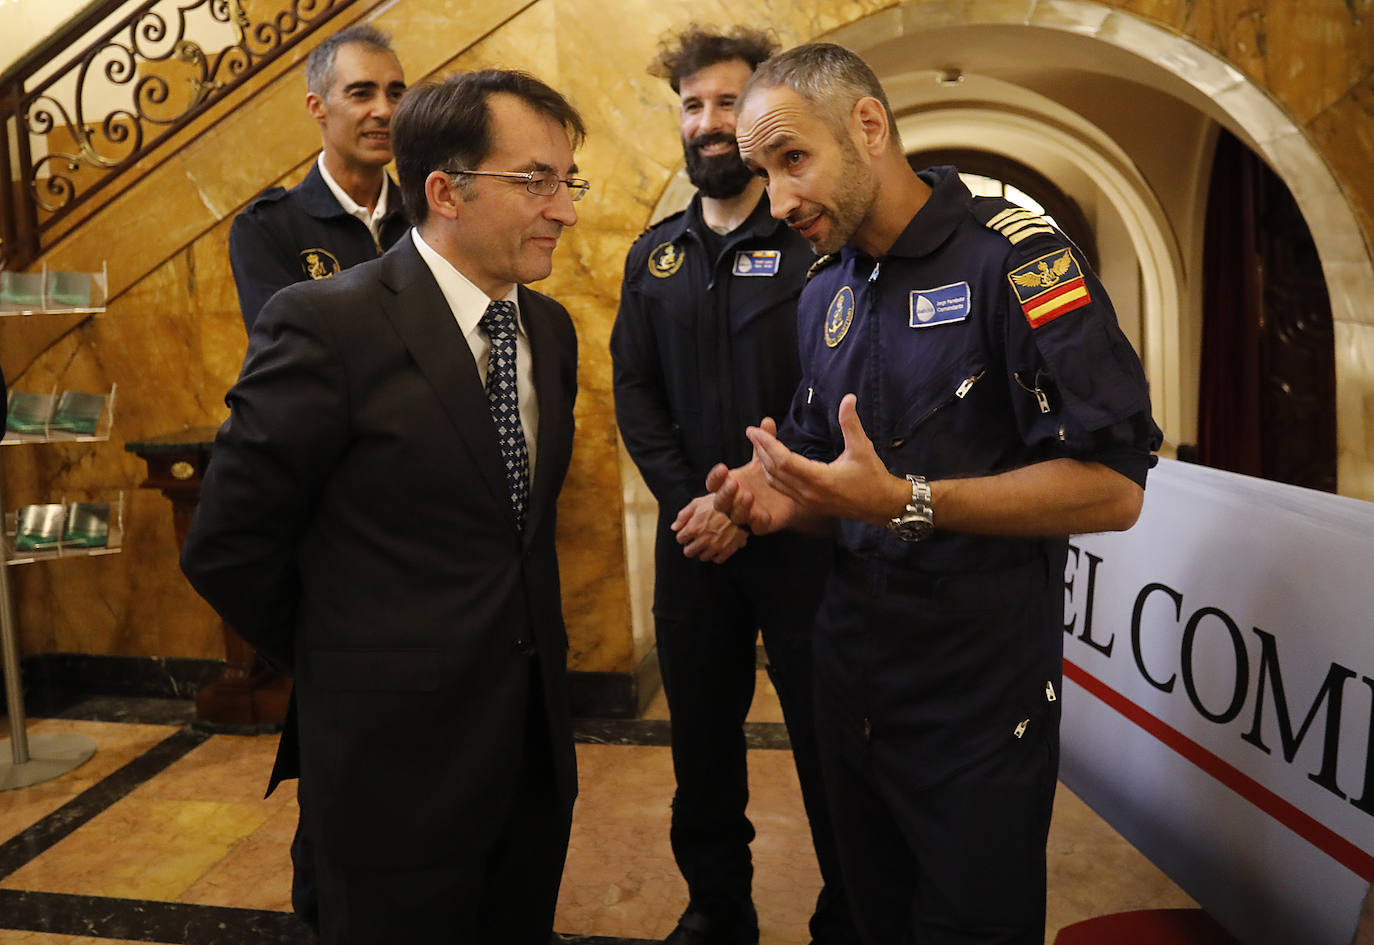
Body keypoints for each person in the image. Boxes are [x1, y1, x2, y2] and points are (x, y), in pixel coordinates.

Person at [698, 43, 1162, 945]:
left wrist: (908, 501)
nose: (779, 200)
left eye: (794, 160)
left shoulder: (1016, 259)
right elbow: (828, 469)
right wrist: (774, 493)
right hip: (849, 671)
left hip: (976, 691)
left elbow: (1114, 487)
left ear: (868, 128)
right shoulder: (823, 287)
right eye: (763, 173)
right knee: (872, 918)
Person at [180, 69, 587, 945]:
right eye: (536, 181)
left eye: (568, 180)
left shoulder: (550, 332)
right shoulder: (326, 324)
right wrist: (347, 659)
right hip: (387, 768)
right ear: (444, 189)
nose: (565, 209)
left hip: (529, 752)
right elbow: (226, 545)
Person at [611, 25, 855, 945]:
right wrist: (693, 503)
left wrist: (754, 497)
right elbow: (634, 389)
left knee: (830, 740)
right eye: (694, 105)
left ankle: (849, 905)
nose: (709, 123)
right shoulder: (654, 256)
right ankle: (718, 903)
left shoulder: (815, 245)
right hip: (694, 545)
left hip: (803, 541)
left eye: (727, 104)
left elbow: (835, 389)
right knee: (701, 745)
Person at [228, 24, 410, 332]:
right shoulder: (267, 228)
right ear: (318, 107)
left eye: (395, 94)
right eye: (361, 94)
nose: (384, 110)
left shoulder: (428, 213)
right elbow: (287, 351)